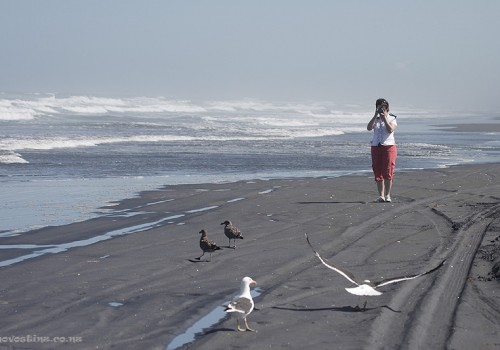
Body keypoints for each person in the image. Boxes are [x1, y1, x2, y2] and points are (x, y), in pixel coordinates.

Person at [366, 98, 397, 202]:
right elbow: (369, 128)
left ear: (387, 108)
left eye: (383, 107)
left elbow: (390, 130)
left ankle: (388, 195)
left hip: (389, 146)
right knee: (377, 169)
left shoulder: (392, 118)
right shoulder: (376, 119)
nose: (381, 109)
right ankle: (381, 195)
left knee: (388, 169)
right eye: (379, 107)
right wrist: (375, 115)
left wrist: (384, 118)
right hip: (376, 146)